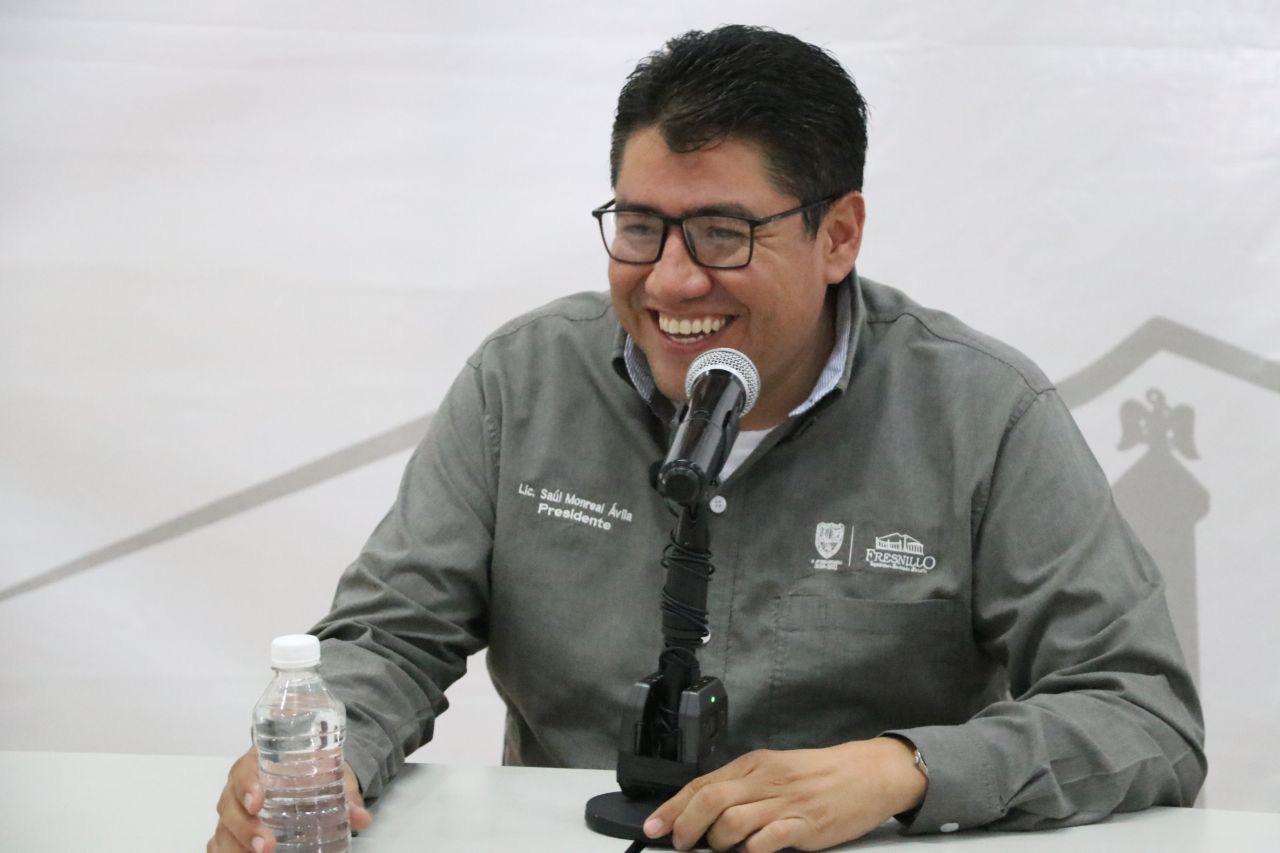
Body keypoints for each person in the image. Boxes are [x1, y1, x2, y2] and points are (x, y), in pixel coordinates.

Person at [209, 25, 1205, 853]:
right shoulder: (523, 382)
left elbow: (1142, 713)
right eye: (640, 226)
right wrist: (319, 760)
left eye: (723, 234)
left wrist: (899, 771)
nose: (672, 280)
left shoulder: (980, 412)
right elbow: (390, 638)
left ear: (838, 236)